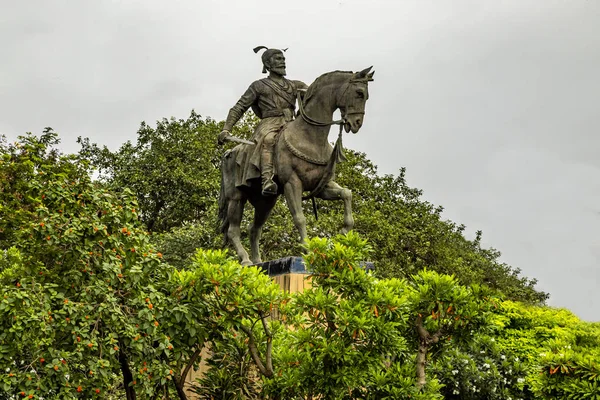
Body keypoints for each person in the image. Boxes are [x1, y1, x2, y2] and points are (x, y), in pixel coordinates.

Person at [218, 46, 307, 196]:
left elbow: (313, 94)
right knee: (269, 139)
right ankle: (267, 179)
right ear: (267, 64)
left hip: (291, 123)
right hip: (270, 124)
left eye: (283, 59)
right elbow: (239, 107)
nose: (282, 62)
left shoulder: (295, 85)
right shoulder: (258, 86)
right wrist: (226, 129)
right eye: (278, 59)